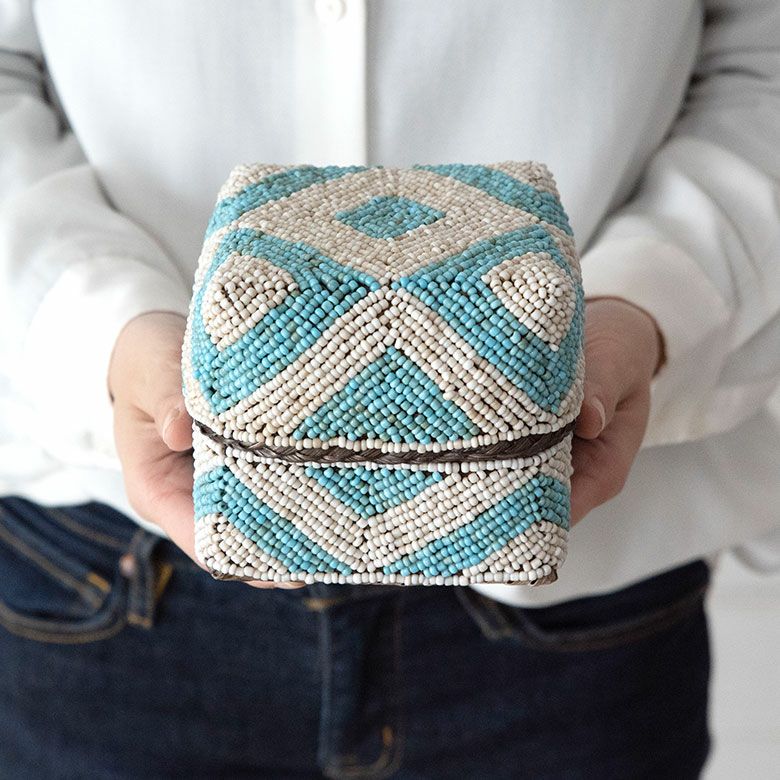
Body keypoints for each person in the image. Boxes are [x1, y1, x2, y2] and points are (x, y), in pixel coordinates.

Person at [0, 1, 778, 777]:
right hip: (104, 592)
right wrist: (100, 328)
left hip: (586, 624)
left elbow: (763, 59)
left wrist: (647, 301)